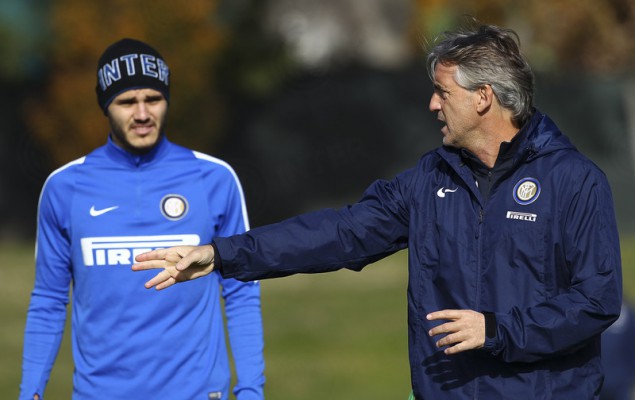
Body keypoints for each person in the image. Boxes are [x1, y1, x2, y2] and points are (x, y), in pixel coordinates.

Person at [132, 24, 622, 399]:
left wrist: (496, 330)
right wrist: (222, 254)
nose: (432, 105)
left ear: (483, 98)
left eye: (443, 92)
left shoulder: (574, 181)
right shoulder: (430, 179)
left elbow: (597, 300)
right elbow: (341, 232)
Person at [20, 38, 265, 400]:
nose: (142, 114)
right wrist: (30, 392)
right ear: (106, 105)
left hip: (198, 392)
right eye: (126, 102)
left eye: (153, 98)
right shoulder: (64, 187)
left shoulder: (214, 178)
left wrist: (250, 390)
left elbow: (242, 291)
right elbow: (49, 299)